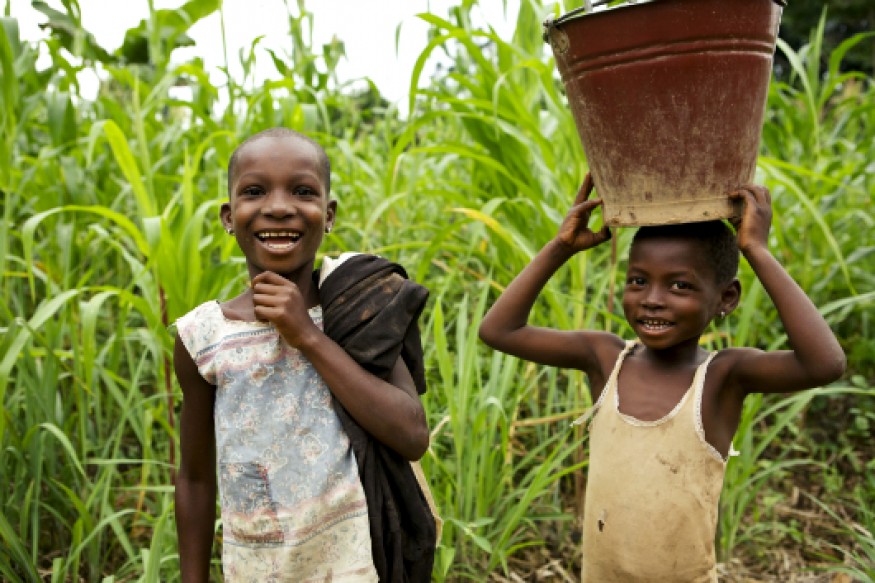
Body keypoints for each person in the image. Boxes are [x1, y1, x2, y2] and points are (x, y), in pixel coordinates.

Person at [478, 174, 846, 581]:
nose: (652, 299)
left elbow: (824, 363)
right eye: (638, 281)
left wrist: (755, 249)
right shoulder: (604, 358)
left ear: (725, 298)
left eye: (680, 285)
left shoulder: (723, 377)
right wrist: (560, 247)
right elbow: (499, 331)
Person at [173, 128, 433, 582]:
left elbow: (411, 435)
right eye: (254, 192)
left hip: (358, 566)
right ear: (228, 216)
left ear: (328, 214)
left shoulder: (356, 305)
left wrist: (308, 335)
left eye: (303, 191)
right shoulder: (202, 335)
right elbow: (194, 480)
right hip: (258, 570)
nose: (278, 206)